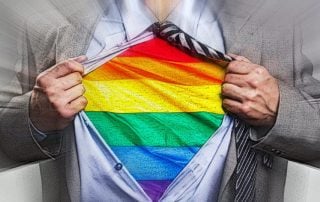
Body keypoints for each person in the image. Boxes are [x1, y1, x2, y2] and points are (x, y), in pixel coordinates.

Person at [0, 0, 319, 201]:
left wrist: (278, 108)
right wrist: (35, 115)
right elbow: (8, 143)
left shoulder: (272, 31)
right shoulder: (52, 29)